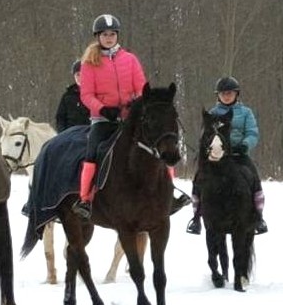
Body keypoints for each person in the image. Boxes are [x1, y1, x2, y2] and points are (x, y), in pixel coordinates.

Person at [73, 14, 191, 220]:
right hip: (103, 120)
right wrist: (102, 109)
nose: (109, 38)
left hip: (131, 117)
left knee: (159, 145)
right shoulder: (89, 64)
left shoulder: (130, 59)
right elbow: (86, 95)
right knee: (93, 151)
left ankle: (169, 193)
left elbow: (141, 88)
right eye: (105, 34)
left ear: (117, 36)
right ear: (98, 36)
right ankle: (86, 199)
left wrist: (135, 103)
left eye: (112, 34)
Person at [187, 76, 268, 236]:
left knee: (254, 177)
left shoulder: (246, 113)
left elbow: (252, 132)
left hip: (239, 154)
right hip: (217, 157)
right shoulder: (212, 113)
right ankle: (196, 217)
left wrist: (245, 144)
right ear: (218, 95)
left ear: (236, 94)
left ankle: (258, 217)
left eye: (230, 93)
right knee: (198, 178)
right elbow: (205, 136)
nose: (226, 96)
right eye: (223, 93)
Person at [53, 59, 90, 132]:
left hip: (90, 134)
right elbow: (60, 118)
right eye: (77, 75)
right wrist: (62, 134)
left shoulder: (96, 94)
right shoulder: (67, 96)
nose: (80, 77)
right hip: (70, 135)